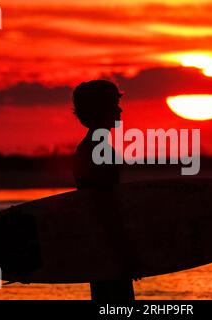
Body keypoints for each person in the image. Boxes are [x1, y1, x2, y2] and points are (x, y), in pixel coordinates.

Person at [71, 80, 136, 301]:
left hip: (99, 246)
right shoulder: (98, 150)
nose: (120, 109)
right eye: (114, 105)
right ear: (101, 110)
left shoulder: (91, 146)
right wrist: (124, 253)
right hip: (107, 248)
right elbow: (105, 207)